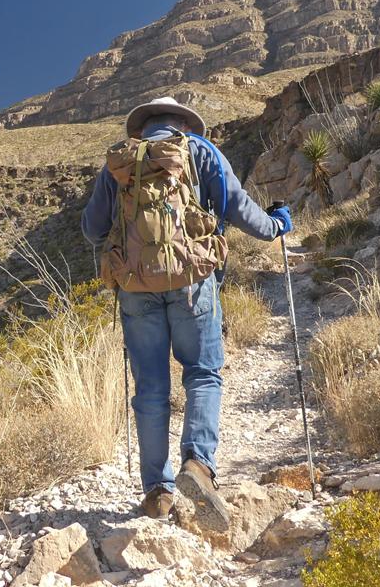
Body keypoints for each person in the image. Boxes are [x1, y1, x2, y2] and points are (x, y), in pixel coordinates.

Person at [81, 96, 292, 531]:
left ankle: (157, 493)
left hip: (136, 287)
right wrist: (275, 226)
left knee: (151, 387)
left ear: (145, 124)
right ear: (184, 122)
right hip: (193, 282)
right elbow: (237, 207)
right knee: (202, 373)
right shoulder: (200, 149)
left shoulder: (122, 161)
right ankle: (198, 465)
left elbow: (91, 229)